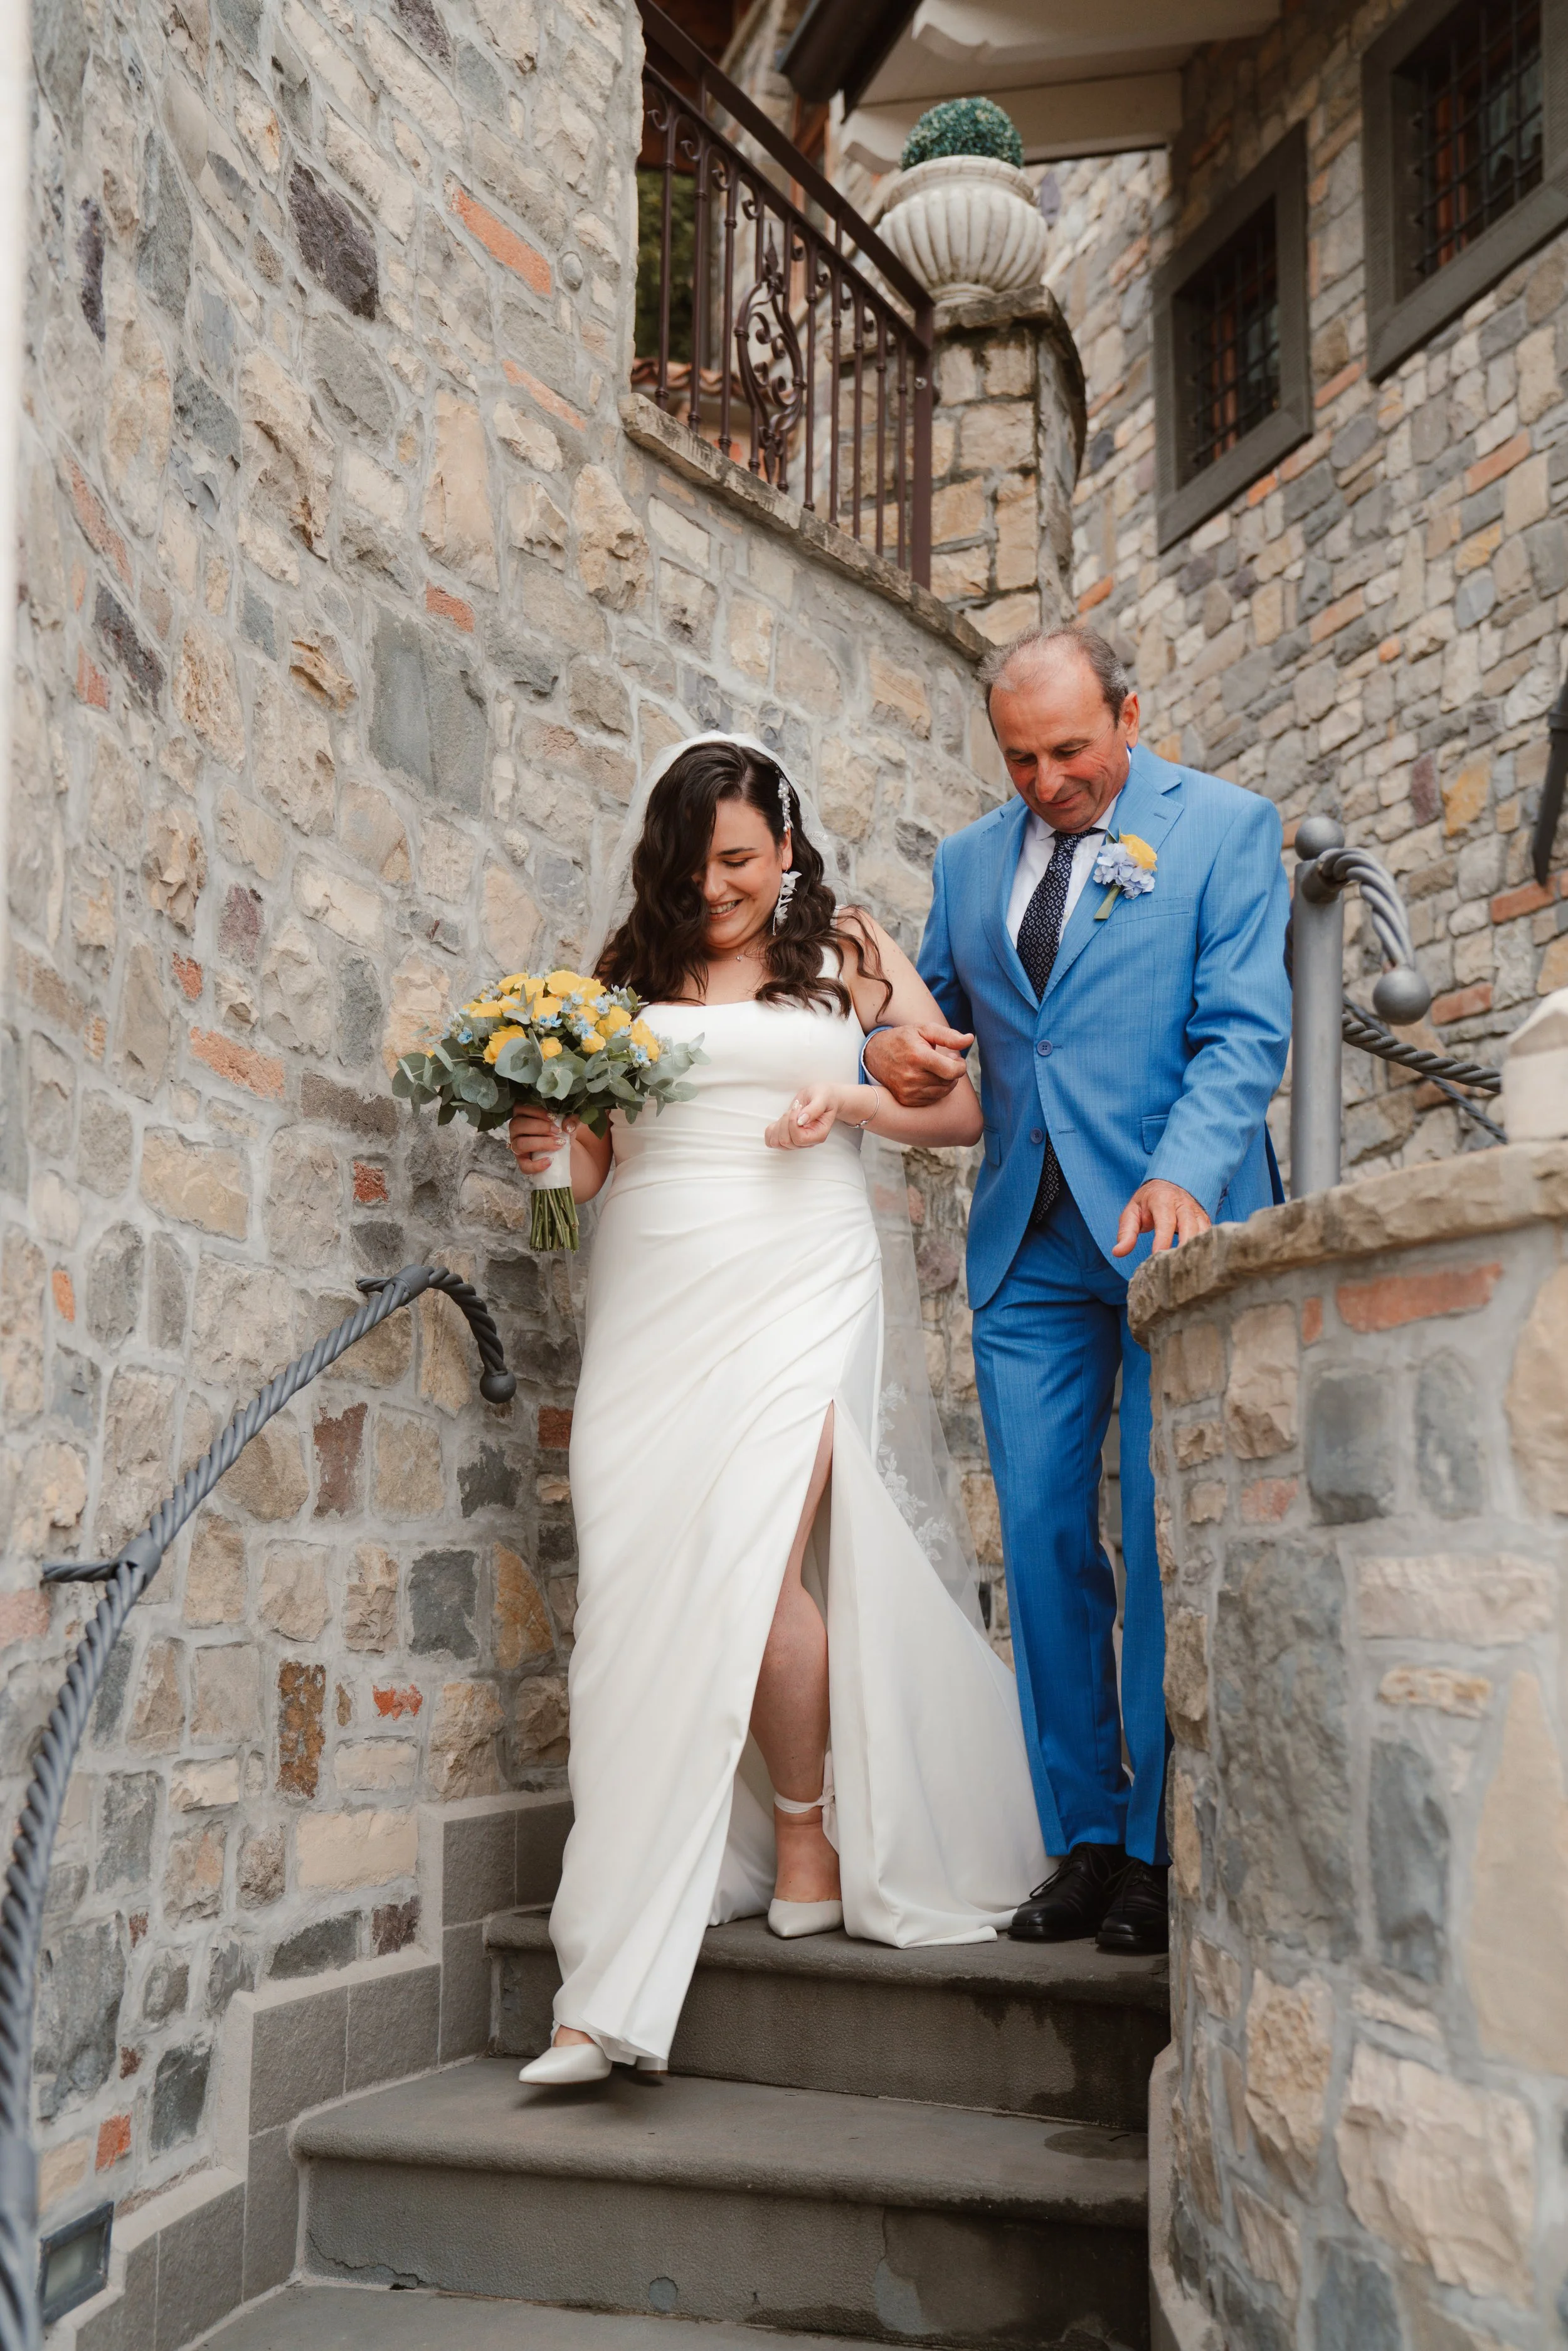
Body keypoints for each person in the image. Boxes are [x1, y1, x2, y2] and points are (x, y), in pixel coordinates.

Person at [505, 732, 1047, 2085]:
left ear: (786, 848)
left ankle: (631, 1969)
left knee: (754, 1571)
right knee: (636, 1586)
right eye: (693, 865)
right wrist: (545, 1155)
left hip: (800, 1276)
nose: (718, 888)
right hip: (653, 1282)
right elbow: (581, 1174)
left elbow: (959, 1105)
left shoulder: (846, 949)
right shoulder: (620, 975)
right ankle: (751, 1852)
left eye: (740, 860)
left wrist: (853, 1093)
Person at [863, 625, 1291, 1957]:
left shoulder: (1222, 828)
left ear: (1127, 713)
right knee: (1045, 1542)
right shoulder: (966, 859)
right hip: (1027, 1238)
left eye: (1068, 751)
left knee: (1164, 1541)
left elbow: (1241, 1030)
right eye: (1019, 757)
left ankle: (1162, 1847)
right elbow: (928, 1014)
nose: (1045, 780)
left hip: (1172, 1223)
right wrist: (896, 1043)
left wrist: (1181, 1177)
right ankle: (1086, 1835)